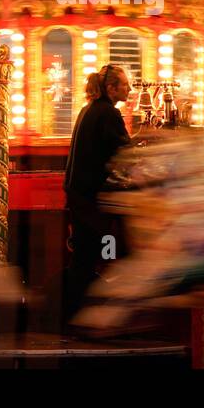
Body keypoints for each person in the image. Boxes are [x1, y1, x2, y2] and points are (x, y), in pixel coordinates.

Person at [63, 64, 134, 327]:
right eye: (124, 85)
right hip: (91, 197)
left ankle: (74, 313)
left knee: (84, 256)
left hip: (78, 193)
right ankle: (90, 314)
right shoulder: (108, 113)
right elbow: (125, 152)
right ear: (111, 88)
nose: (129, 89)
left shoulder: (88, 109)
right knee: (100, 253)